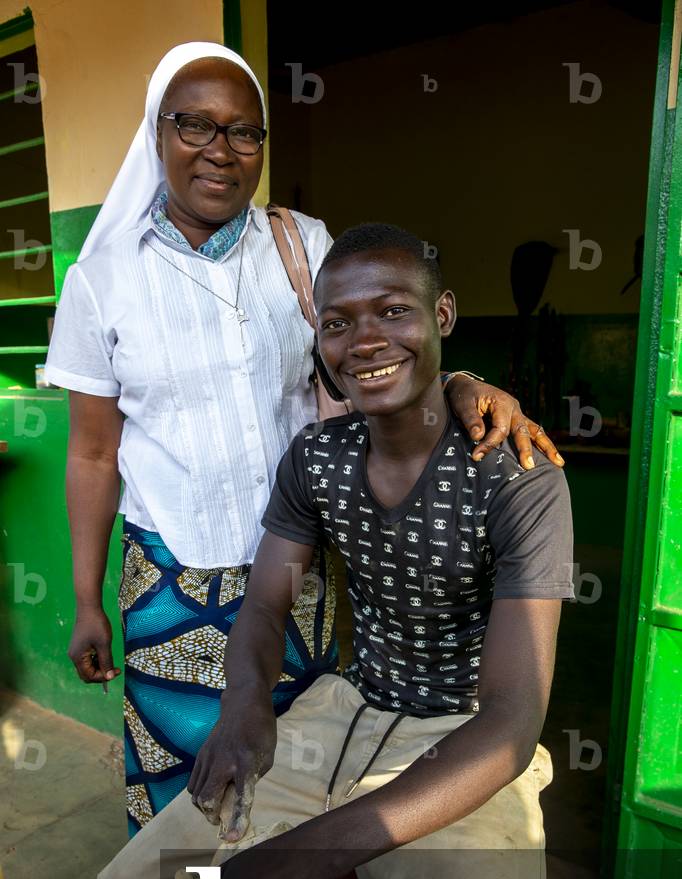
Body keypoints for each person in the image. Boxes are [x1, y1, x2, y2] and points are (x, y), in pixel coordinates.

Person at [45, 42, 563, 837]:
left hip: (301, 565)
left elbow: (376, 349)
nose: (220, 150)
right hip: (168, 578)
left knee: (297, 774)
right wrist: (85, 599)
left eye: (244, 132)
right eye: (194, 126)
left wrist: (463, 384)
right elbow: (91, 453)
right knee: (179, 794)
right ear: (156, 134)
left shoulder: (301, 244)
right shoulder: (101, 280)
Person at [92, 224, 574, 879]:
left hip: (466, 738)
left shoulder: (515, 477)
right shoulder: (319, 457)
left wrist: (303, 855)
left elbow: (512, 724)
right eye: (338, 323)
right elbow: (266, 601)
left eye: (393, 311)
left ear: (443, 314)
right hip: (343, 709)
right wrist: (246, 705)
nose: (365, 341)